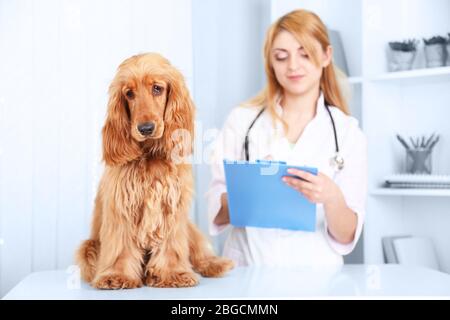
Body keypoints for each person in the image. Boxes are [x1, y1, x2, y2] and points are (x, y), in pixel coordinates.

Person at [206, 9, 367, 267]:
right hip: (247, 275)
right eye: (281, 57)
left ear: (326, 56)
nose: (293, 65)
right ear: (270, 62)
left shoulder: (348, 133)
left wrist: (331, 197)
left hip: (316, 279)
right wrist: (250, 192)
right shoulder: (242, 121)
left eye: (305, 54)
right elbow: (216, 209)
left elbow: (346, 234)